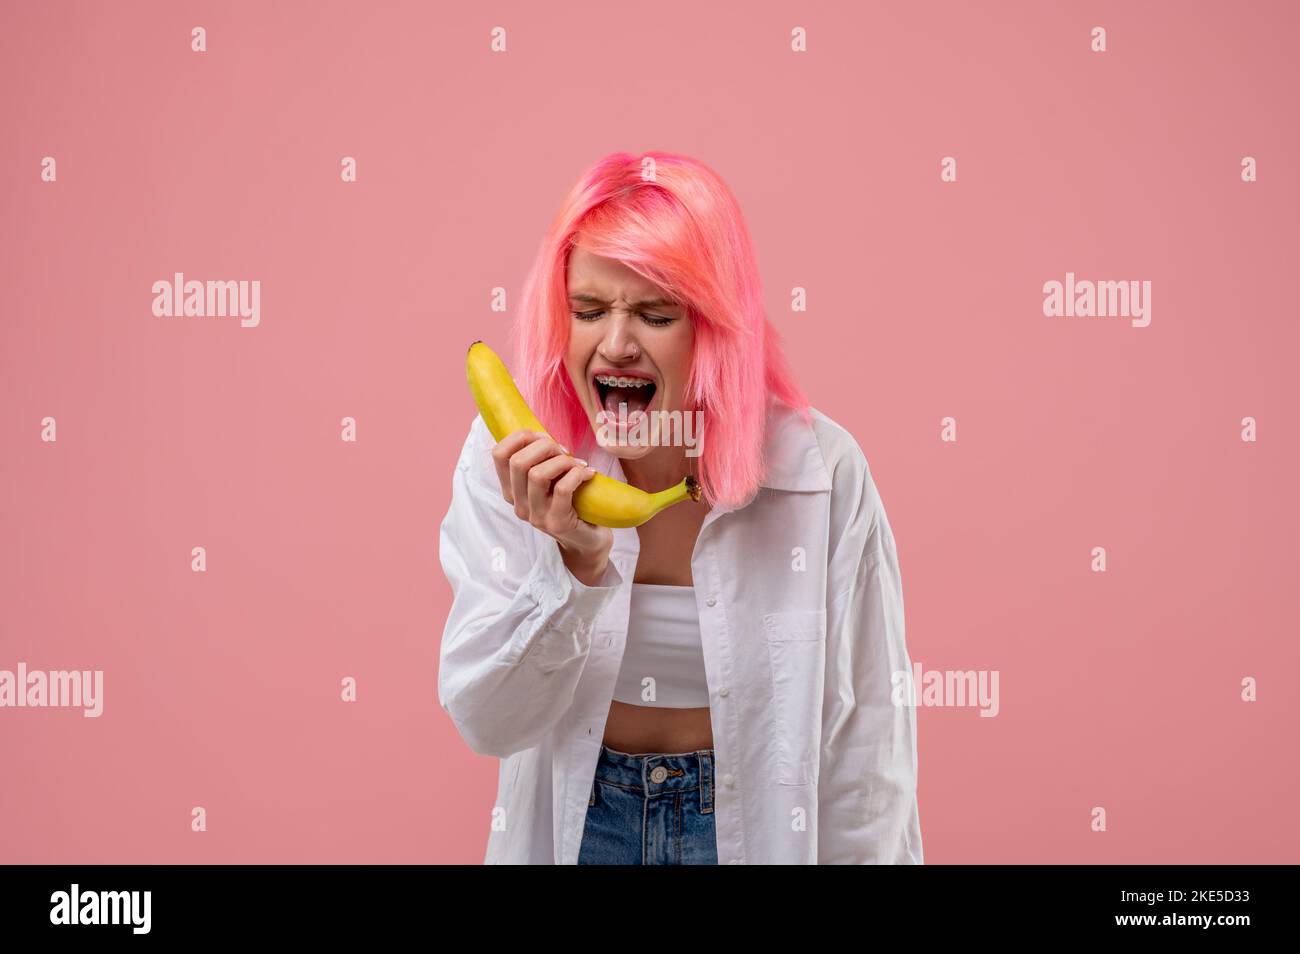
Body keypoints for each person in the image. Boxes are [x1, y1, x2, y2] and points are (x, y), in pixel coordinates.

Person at [438, 151, 923, 864]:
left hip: (740, 831)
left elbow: (867, 744)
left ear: (714, 331)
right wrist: (573, 568)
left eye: (656, 314)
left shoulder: (819, 473)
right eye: (589, 310)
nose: (617, 345)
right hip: (587, 825)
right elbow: (487, 720)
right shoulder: (514, 459)